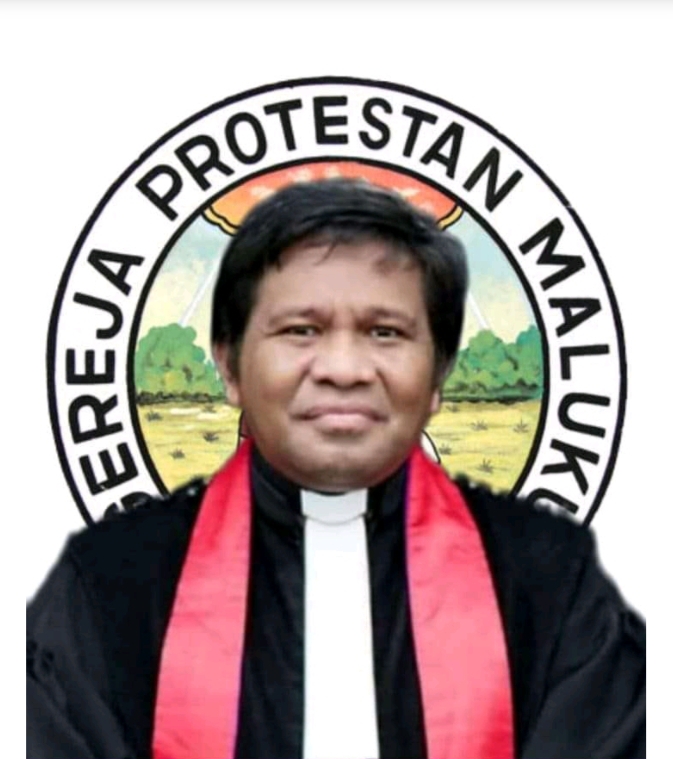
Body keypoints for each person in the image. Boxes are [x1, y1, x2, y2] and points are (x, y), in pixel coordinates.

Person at [27, 179, 645, 759]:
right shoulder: (107, 587)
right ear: (230, 366)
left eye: (386, 333)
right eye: (301, 330)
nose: (344, 369)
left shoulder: (551, 583)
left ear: (438, 375)